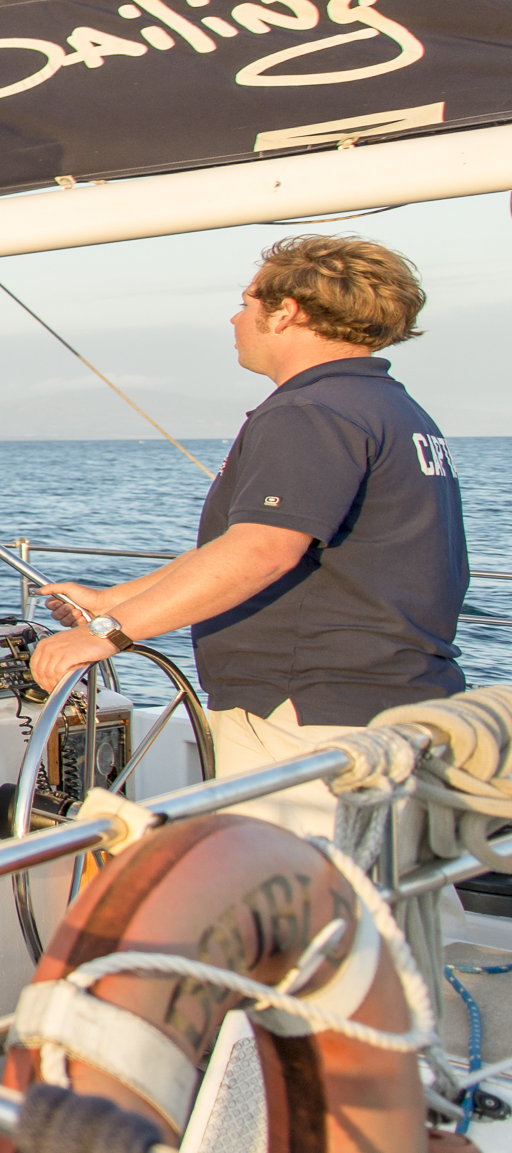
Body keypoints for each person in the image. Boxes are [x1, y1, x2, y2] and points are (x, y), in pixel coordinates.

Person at [30, 236, 468, 836]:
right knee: (392, 888)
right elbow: (244, 548)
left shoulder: (308, 412)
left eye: (246, 302)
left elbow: (262, 551)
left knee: (302, 890)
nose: (236, 319)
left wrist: (106, 634)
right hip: (400, 704)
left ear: (287, 311)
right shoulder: (394, 410)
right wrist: (113, 600)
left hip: (308, 715)